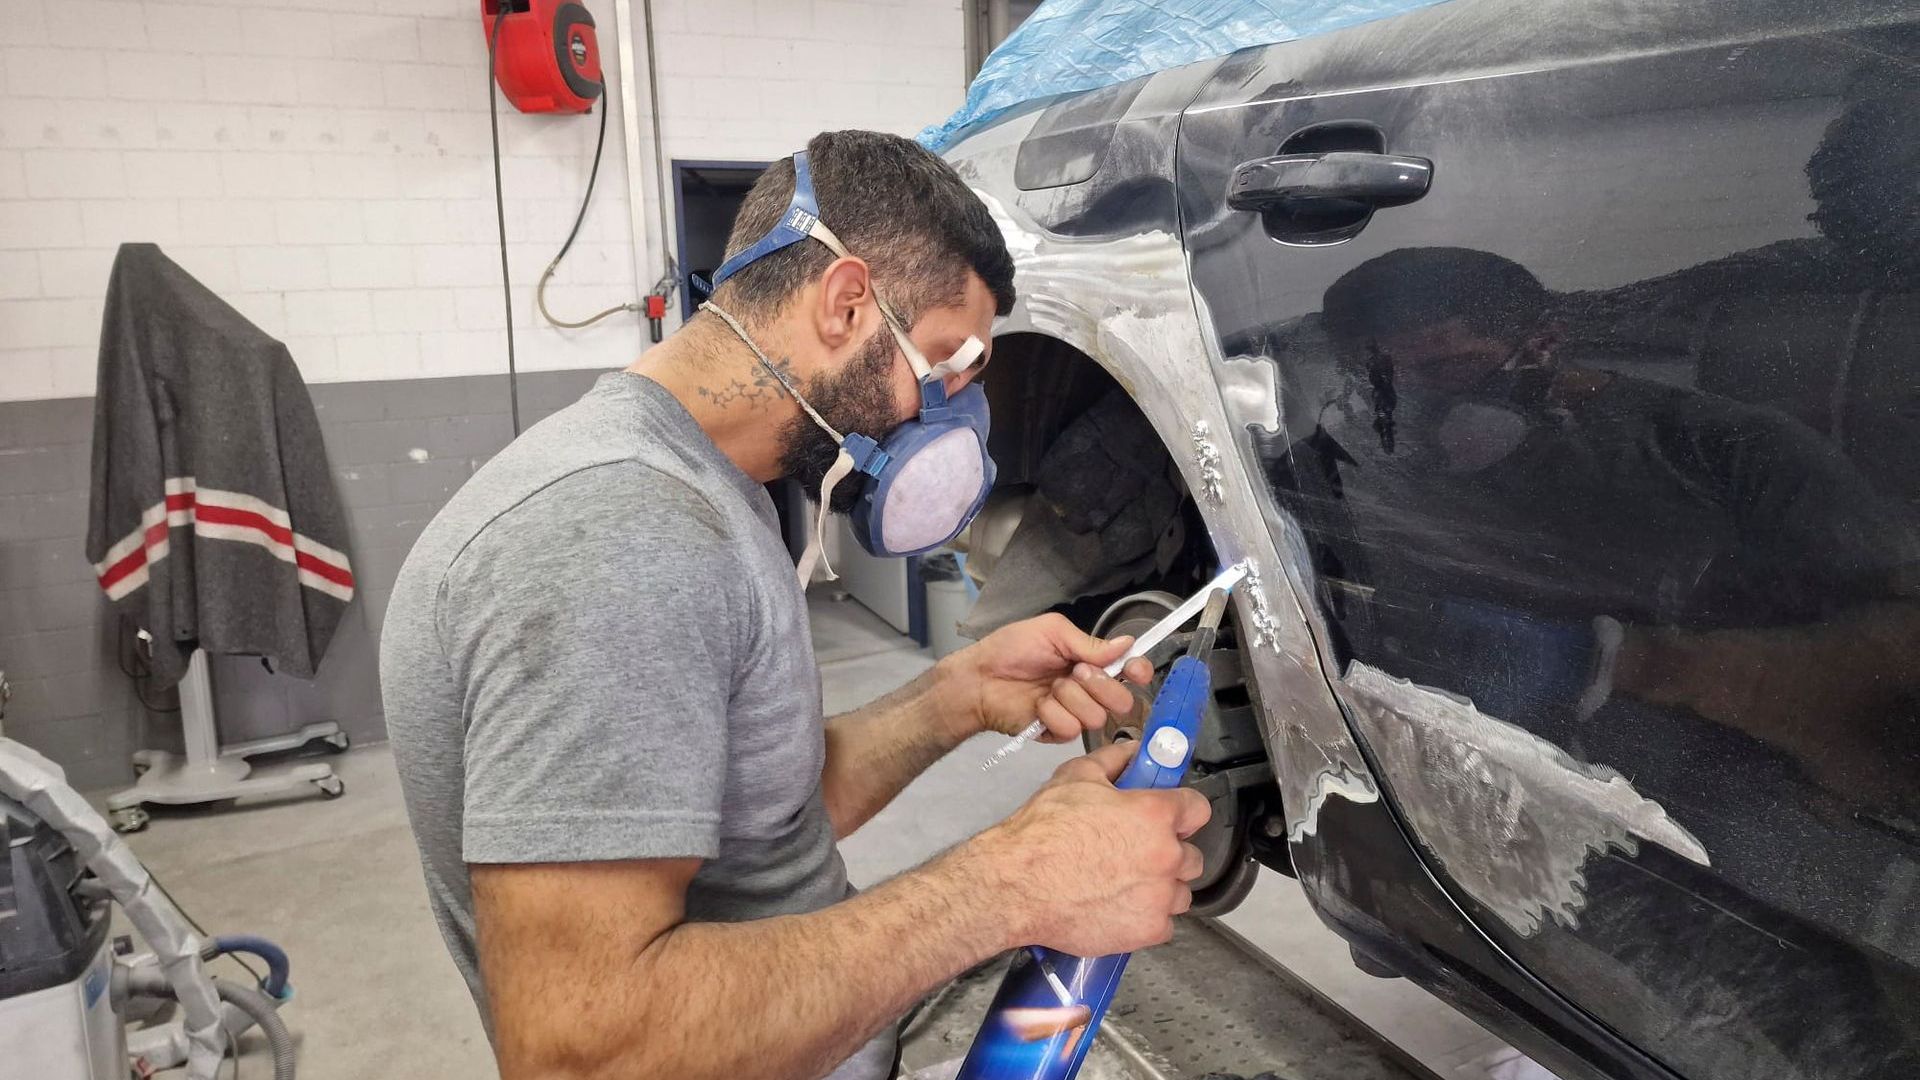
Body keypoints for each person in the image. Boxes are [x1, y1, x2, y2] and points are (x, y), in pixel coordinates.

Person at [377, 130, 1209, 1080]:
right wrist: (1011, 882)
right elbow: (585, 1048)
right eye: (942, 366)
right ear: (847, 302)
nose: (949, 417)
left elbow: (751, 826)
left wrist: (951, 697)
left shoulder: (703, 487)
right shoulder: (620, 533)